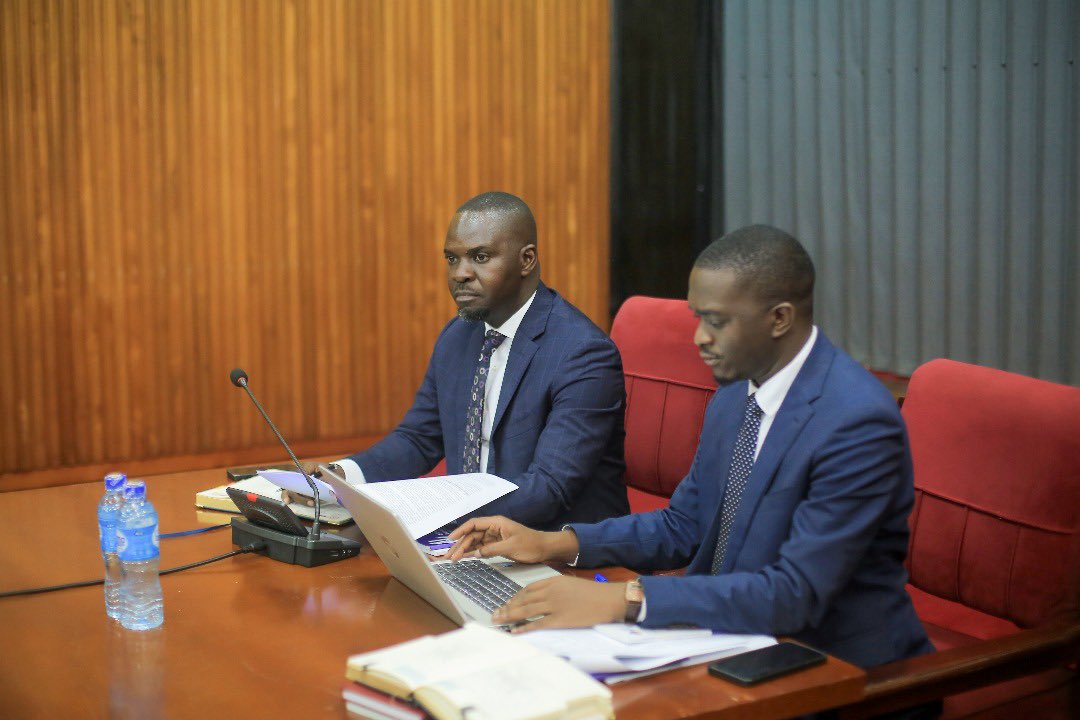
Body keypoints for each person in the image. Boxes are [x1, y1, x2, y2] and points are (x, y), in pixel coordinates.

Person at [449, 224, 935, 670]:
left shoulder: (857, 421)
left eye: (717, 322)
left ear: (779, 319)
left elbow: (796, 594)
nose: (700, 338)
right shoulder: (737, 395)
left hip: (830, 665)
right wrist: (553, 543)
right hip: (722, 634)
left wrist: (625, 599)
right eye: (698, 318)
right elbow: (685, 525)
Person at [302, 192, 629, 529]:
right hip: (469, 538)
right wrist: (340, 477)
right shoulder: (458, 336)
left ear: (526, 260)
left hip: (558, 545)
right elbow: (419, 439)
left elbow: (549, 488)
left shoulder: (582, 352)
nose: (460, 274)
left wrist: (433, 511)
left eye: (480, 257)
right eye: (452, 259)